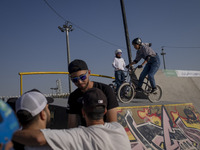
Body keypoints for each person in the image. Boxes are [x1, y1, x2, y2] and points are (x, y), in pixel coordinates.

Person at [13, 88, 131, 150]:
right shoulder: (119, 128)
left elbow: (39, 138)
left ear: (83, 112)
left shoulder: (78, 136)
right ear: (105, 111)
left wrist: (6, 133)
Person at [67, 59, 119, 128]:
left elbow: (113, 123)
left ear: (89, 73)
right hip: (86, 135)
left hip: (106, 134)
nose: (79, 82)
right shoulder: (73, 97)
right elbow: (72, 125)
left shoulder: (106, 90)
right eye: (75, 79)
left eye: (82, 77)